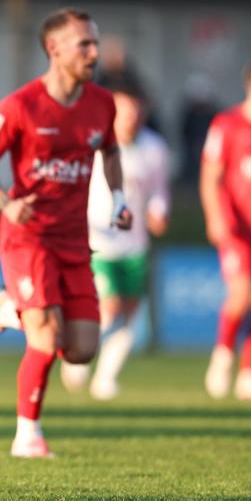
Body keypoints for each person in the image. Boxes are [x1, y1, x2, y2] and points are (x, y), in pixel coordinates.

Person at [0, 8, 132, 458]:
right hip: (27, 235)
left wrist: (119, 200)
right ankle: (28, 436)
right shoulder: (20, 105)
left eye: (95, 43)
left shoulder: (102, 102)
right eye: (85, 44)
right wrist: (7, 203)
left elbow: (112, 152)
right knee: (45, 335)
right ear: (54, 49)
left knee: (80, 351)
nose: (94, 52)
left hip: (75, 241)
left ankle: (4, 311)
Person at [58, 76, 170, 400]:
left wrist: (159, 211)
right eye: (123, 109)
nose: (130, 116)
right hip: (97, 240)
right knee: (109, 306)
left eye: (136, 110)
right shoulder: (91, 144)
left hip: (135, 244)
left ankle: (106, 377)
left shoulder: (154, 148)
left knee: (131, 313)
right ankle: (76, 352)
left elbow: (159, 191)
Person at [200, 59, 251, 402]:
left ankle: (249, 375)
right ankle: (222, 358)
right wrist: (215, 216)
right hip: (237, 226)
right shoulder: (227, 124)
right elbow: (211, 175)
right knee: (243, 292)